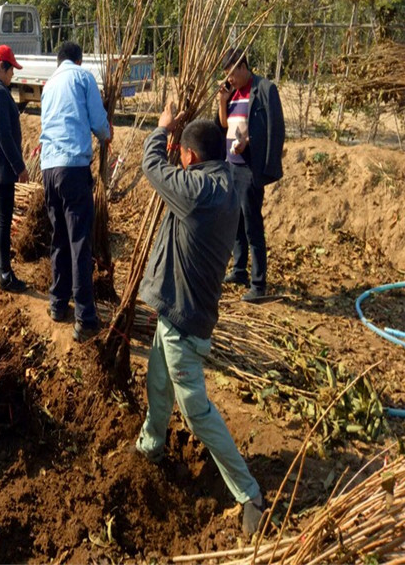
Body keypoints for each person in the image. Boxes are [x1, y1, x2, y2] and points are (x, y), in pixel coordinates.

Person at [134, 103, 266, 538]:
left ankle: (249, 494)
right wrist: (237, 142)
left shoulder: (195, 192)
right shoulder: (230, 179)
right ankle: (151, 447)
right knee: (157, 381)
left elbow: (150, 164)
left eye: (184, 155)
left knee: (195, 411)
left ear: (189, 158)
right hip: (180, 310)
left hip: (184, 321)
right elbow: (239, 159)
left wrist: (161, 127)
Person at [39, 41, 111, 342]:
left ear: (59, 61)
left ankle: (57, 305)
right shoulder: (83, 78)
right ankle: (85, 318)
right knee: (80, 242)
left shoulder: (49, 85)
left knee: (59, 239)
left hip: (49, 170)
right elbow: (98, 123)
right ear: (79, 61)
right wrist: (107, 133)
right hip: (72, 168)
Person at [217, 48, 285, 302]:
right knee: (236, 222)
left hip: (249, 168)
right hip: (231, 165)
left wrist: (251, 144)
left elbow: (275, 129)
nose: (229, 79)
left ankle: (258, 283)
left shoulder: (265, 90)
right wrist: (223, 101)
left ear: (243, 66)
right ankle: (239, 271)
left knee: (252, 224)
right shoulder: (233, 93)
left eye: (232, 74)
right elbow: (225, 125)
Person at [0, 45, 30, 292]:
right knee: (4, 220)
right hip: (2, 165)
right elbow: (4, 136)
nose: (13, 75)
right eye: (11, 70)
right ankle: (6, 275)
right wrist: (20, 167)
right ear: (2, 67)